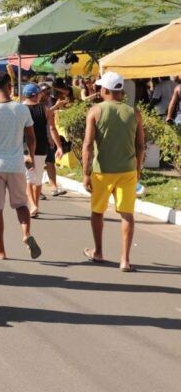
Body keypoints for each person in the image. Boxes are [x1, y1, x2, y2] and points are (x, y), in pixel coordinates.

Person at [82, 71, 145, 272]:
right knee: (127, 214)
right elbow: (141, 146)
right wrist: (138, 168)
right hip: (128, 171)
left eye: (101, 87)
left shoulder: (95, 111)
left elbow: (88, 145)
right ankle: (125, 260)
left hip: (102, 171)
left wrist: (85, 173)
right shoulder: (134, 112)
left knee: (97, 212)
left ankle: (98, 252)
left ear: (106, 90)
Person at [0, 72, 41, 260]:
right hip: (16, 165)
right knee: (21, 204)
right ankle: (26, 234)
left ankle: (0, 250)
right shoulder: (22, 110)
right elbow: (31, 138)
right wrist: (31, 157)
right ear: (10, 86)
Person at [23, 83, 64, 216]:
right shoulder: (45, 109)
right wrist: (59, 146)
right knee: (37, 179)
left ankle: (33, 205)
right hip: (41, 147)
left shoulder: (20, 109)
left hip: (25, 148)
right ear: (36, 95)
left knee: (28, 179)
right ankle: (35, 206)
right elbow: (52, 128)